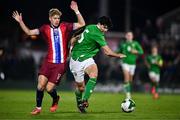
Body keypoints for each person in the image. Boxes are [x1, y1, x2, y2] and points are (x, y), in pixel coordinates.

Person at [12, 1, 85, 115]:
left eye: (58, 18)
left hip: (60, 64)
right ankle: (38, 108)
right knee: (40, 85)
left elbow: (82, 24)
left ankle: (55, 98)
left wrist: (76, 10)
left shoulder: (66, 26)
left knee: (49, 89)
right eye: (55, 18)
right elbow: (29, 32)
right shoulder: (44, 28)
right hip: (48, 62)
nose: (57, 20)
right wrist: (21, 21)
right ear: (50, 18)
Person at [69, 16, 126, 113]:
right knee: (81, 88)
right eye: (105, 27)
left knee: (94, 73)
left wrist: (72, 44)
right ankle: (79, 103)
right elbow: (108, 52)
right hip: (76, 61)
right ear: (100, 24)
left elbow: (74, 37)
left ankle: (84, 100)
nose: (106, 30)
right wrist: (118, 55)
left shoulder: (90, 27)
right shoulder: (98, 34)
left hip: (86, 58)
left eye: (107, 28)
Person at [117, 31, 144, 99]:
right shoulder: (123, 44)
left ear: (132, 36)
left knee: (130, 80)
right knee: (126, 77)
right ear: (126, 36)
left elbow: (141, 52)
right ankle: (128, 94)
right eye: (128, 35)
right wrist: (111, 53)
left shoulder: (135, 43)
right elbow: (118, 51)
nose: (129, 36)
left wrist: (136, 51)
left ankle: (127, 89)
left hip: (133, 64)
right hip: (125, 63)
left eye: (130, 35)